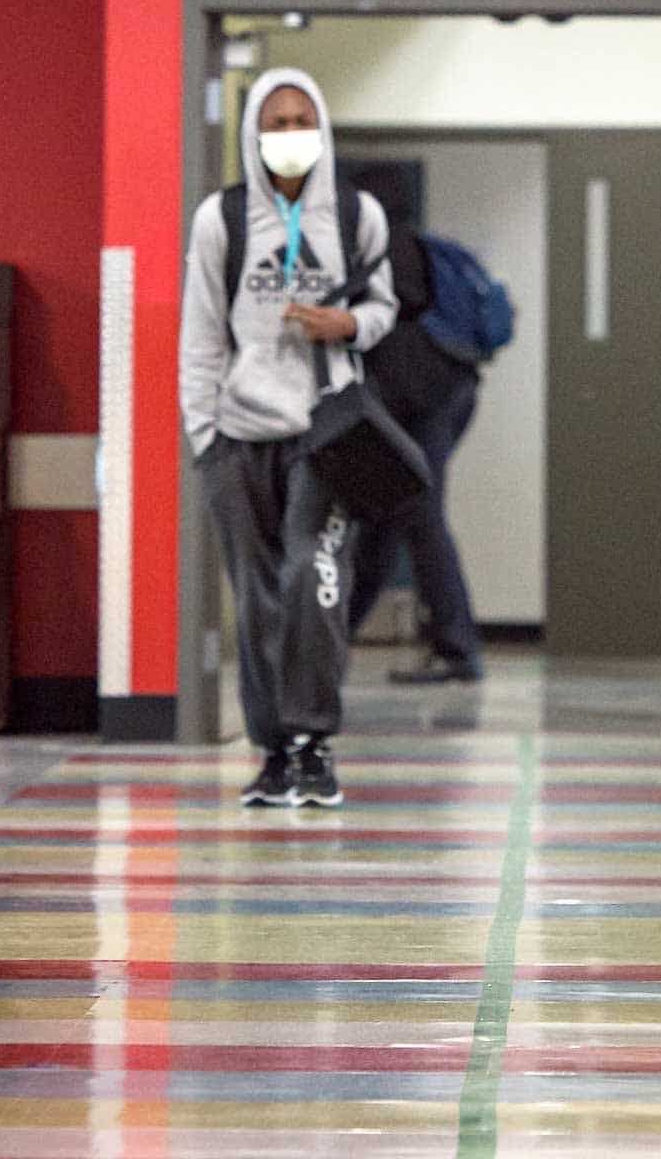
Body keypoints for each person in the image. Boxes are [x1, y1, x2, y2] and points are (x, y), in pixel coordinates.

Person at [179, 68, 397, 809]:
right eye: (276, 122)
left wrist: (350, 325)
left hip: (326, 432)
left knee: (314, 578)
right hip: (239, 435)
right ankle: (272, 751)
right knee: (258, 600)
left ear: (324, 126)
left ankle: (315, 742)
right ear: (253, 133)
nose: (290, 134)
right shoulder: (224, 220)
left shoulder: (357, 215)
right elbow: (202, 336)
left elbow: (385, 305)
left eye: (304, 118)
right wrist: (204, 437)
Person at [345, 190, 486, 685]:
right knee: (384, 521)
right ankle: (332, 642)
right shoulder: (409, 248)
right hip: (441, 396)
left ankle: (457, 649)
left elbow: (384, 345)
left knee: (418, 516)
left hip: (422, 403)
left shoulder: (379, 256)